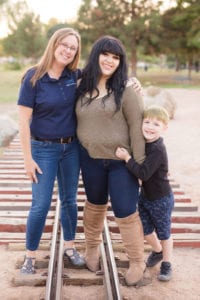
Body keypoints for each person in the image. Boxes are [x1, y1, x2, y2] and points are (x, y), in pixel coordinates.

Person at [76, 35, 146, 286]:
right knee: (94, 205)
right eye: (106, 54)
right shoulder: (80, 85)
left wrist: (138, 165)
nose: (110, 60)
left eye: (116, 57)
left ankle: (137, 260)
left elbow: (137, 128)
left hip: (121, 163)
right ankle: (92, 249)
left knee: (126, 212)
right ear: (96, 55)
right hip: (90, 159)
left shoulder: (127, 89)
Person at [17, 27, 85, 274]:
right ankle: (30, 256)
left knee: (69, 200)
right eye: (64, 45)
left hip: (71, 148)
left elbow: (107, 74)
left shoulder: (75, 76)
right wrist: (27, 159)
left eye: (73, 48)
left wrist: (132, 81)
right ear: (54, 44)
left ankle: (70, 247)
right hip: (42, 149)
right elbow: (23, 121)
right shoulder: (33, 77)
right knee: (41, 204)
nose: (68, 50)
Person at [115, 105, 174, 282]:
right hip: (145, 196)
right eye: (147, 122)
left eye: (156, 124)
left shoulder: (157, 148)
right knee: (146, 230)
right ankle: (157, 251)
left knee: (164, 232)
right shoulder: (143, 143)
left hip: (161, 198)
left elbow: (143, 173)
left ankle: (167, 263)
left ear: (164, 128)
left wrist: (127, 159)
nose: (150, 127)